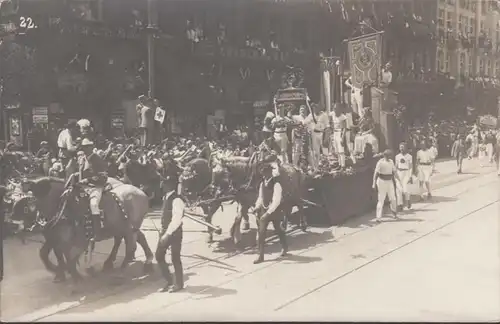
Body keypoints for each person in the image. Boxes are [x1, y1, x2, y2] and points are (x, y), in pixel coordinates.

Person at [155, 167, 185, 293]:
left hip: (174, 233)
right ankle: (169, 281)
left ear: (170, 185)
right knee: (159, 256)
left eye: (165, 182)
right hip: (165, 231)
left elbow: (176, 219)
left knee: (175, 258)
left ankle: (179, 283)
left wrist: (167, 234)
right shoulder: (166, 197)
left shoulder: (177, 199)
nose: (162, 184)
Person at [252, 163, 288, 264]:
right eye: (263, 173)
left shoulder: (276, 184)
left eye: (266, 173)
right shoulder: (262, 184)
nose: (264, 175)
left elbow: (276, 201)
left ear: (270, 172)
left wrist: (268, 213)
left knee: (279, 230)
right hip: (264, 209)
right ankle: (261, 255)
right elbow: (260, 197)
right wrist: (257, 206)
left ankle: (285, 247)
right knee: (261, 232)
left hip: (275, 211)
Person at [78, 138, 109, 242]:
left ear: (91, 147)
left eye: (87, 147)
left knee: (94, 204)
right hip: (83, 187)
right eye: (83, 147)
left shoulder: (97, 159)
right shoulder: (81, 159)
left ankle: (98, 232)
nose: (85, 149)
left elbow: (103, 176)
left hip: (95, 187)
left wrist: (88, 180)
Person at [372, 149, 399, 222]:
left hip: (389, 181)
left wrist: (398, 180)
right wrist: (374, 183)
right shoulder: (380, 162)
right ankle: (378, 217)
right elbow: (376, 173)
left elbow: (395, 172)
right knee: (381, 199)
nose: (388, 157)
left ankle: (394, 213)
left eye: (389, 156)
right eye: (387, 156)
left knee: (393, 198)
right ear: (384, 155)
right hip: (381, 182)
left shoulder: (391, 162)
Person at [308, 103, 329, 171]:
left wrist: (326, 138)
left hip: (322, 134)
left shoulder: (324, 115)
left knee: (325, 151)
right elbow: (304, 122)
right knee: (316, 152)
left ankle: (327, 166)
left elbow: (327, 127)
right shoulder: (311, 115)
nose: (315, 109)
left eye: (316, 107)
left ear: (319, 108)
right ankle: (316, 168)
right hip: (314, 135)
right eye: (313, 108)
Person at [395, 142, 413, 210]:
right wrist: (395, 174)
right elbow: (396, 166)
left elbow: (411, 166)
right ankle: (400, 204)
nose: (401, 149)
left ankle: (408, 200)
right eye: (400, 147)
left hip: (406, 172)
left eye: (403, 147)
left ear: (406, 148)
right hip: (399, 173)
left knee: (405, 189)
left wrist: (410, 175)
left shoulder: (409, 156)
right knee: (399, 189)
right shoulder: (397, 156)